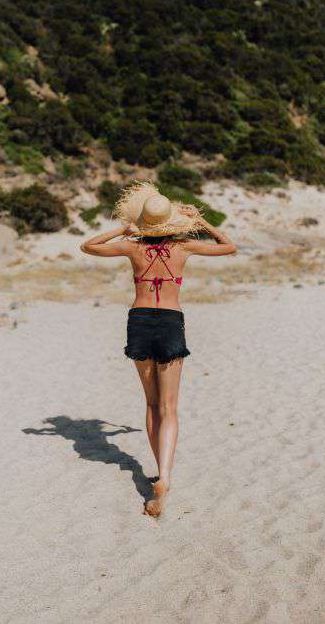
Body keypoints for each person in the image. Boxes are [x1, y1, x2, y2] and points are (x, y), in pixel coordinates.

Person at [80, 182, 237, 517]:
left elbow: (88, 246)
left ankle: (158, 473)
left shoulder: (132, 248)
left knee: (151, 404)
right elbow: (229, 246)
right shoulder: (182, 247)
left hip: (138, 319)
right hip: (169, 319)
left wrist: (122, 229)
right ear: (171, 223)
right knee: (169, 407)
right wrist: (201, 222)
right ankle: (164, 476)